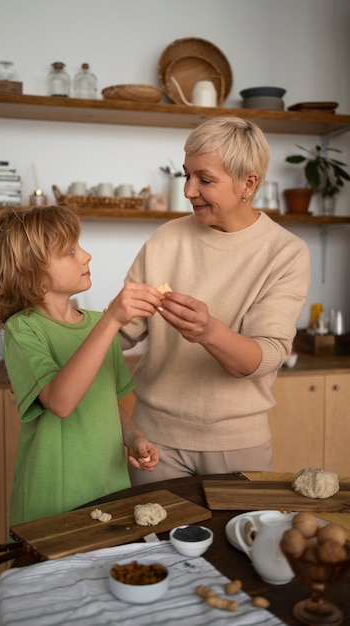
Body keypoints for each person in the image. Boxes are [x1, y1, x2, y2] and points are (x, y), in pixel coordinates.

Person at [119, 116, 311, 485]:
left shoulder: (285, 253)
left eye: (205, 180)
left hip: (238, 446)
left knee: (241, 543)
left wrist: (208, 331)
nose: (189, 190)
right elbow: (122, 331)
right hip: (153, 442)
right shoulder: (166, 239)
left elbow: (266, 356)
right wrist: (56, 349)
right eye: (186, 175)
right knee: (152, 544)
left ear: (248, 183)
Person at [0, 204, 161, 526]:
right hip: (55, 495)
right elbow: (60, 402)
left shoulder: (98, 324)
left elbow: (105, 399)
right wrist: (112, 320)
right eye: (70, 251)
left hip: (109, 483)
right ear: (31, 274)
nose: (86, 256)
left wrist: (134, 436)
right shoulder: (24, 329)